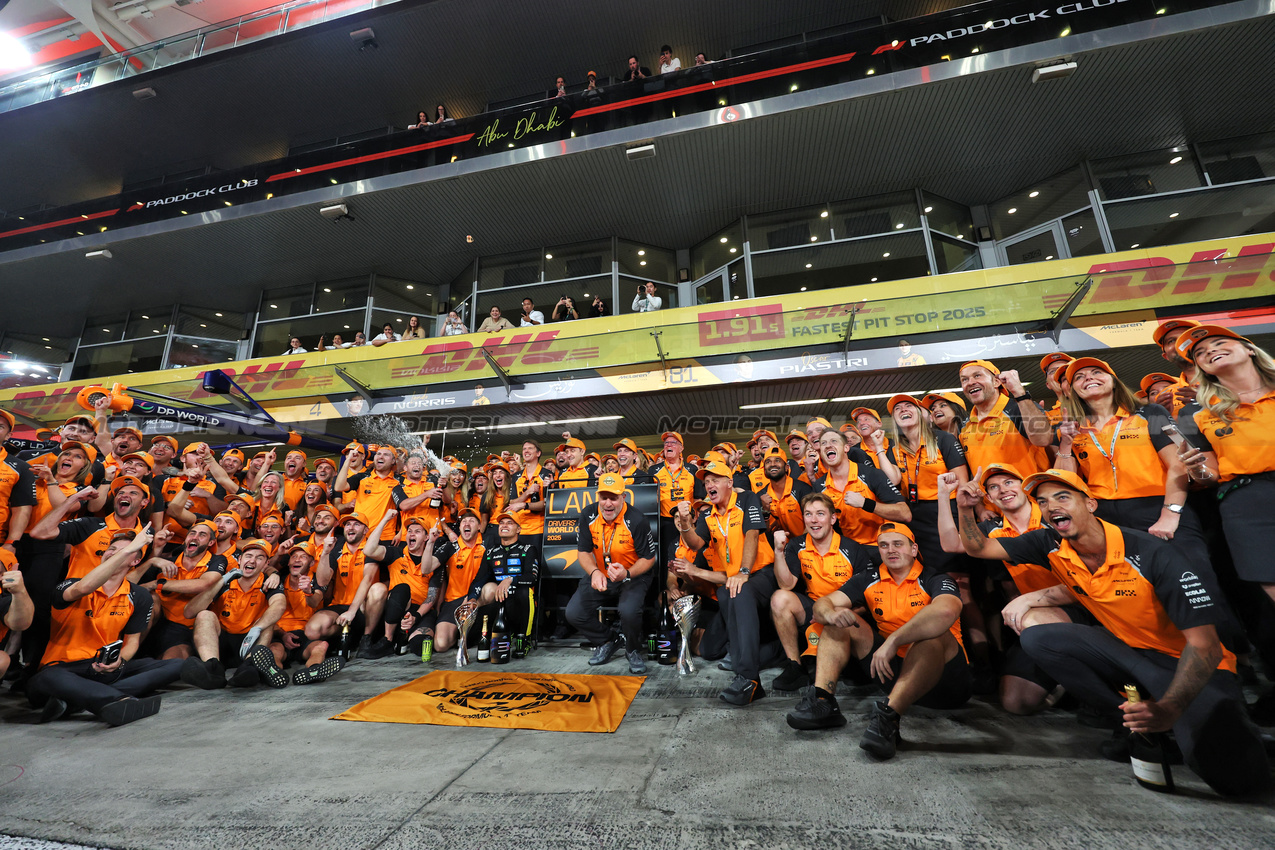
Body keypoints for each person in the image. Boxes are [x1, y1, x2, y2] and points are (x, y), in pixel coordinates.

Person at [954, 467, 1269, 796]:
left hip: (1187, 664)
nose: (1051, 507)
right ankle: (1130, 724)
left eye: (1063, 497)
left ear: (1090, 504)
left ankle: (1171, 717)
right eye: (1044, 501)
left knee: (1241, 782)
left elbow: (1206, 648)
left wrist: (1169, 709)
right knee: (1039, 638)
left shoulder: (1153, 554)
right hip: (1128, 654)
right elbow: (979, 548)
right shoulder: (1048, 542)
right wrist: (964, 508)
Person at [786, 523, 968, 761]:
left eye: (897, 544)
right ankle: (823, 702)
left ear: (914, 549)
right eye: (884, 545)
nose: (890, 550)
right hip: (891, 673)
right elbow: (822, 604)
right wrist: (831, 614)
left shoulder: (936, 578)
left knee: (933, 635)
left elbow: (944, 613)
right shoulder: (870, 578)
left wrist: (894, 640)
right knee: (839, 619)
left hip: (945, 683)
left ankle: (889, 718)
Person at [28, 526, 184, 727]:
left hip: (101, 669)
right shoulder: (71, 584)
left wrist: (118, 663)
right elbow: (84, 588)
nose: (112, 553)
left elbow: (132, 641)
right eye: (111, 549)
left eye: (122, 551)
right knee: (46, 679)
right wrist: (129, 549)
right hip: (61, 668)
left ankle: (76, 699)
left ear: (135, 561)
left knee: (176, 664)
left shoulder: (138, 596)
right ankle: (115, 700)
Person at [1175, 325, 1275, 606]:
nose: (1211, 351)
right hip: (1247, 505)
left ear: (1249, 348)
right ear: (1203, 369)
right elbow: (1210, 475)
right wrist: (1196, 471)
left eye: (1219, 342)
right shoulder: (1193, 413)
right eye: (1201, 353)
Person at [674, 460, 776, 705]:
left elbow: (752, 534)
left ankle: (750, 680)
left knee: (738, 593)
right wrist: (686, 522)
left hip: (760, 573)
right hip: (731, 579)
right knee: (728, 595)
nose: (710, 485)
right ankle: (749, 665)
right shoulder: (708, 512)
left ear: (730, 483)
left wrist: (743, 571)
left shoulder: (747, 499)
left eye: (715, 480)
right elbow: (696, 544)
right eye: (706, 482)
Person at [770, 493, 874, 692]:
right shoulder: (797, 545)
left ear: (833, 519)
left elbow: (868, 601)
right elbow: (786, 585)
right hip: (813, 609)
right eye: (808, 514)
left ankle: (845, 664)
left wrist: (833, 617)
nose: (814, 520)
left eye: (820, 514)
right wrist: (778, 551)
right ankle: (795, 666)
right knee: (779, 598)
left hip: (846, 614)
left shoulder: (854, 550)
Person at [566, 474, 657, 673]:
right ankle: (608, 640)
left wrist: (627, 573)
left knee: (629, 611)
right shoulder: (588, 515)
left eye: (613, 498)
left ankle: (632, 649)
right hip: (602, 572)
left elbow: (650, 558)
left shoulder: (637, 519)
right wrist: (594, 571)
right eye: (603, 497)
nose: (608, 503)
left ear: (623, 497)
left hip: (633, 574)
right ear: (597, 496)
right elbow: (583, 552)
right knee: (573, 613)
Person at [179, 539, 288, 689]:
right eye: (249, 556)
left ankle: (249, 668)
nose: (253, 561)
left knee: (268, 623)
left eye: (259, 558)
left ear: (266, 564)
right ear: (240, 559)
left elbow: (279, 605)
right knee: (204, 615)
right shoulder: (226, 580)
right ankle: (213, 668)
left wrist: (257, 628)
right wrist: (220, 582)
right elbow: (189, 612)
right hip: (221, 643)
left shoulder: (269, 582)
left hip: (250, 643)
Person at [811, 428, 910, 551]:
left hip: (879, 547)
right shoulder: (820, 485)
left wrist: (865, 503)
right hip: (847, 551)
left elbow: (905, 514)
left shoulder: (871, 474)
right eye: (823, 443)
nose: (828, 445)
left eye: (834, 441)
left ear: (846, 448)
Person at [307, 513, 388, 658]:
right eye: (348, 524)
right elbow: (322, 581)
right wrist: (325, 553)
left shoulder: (371, 547)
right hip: (341, 605)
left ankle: (366, 639)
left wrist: (352, 610)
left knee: (378, 589)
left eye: (356, 524)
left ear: (365, 530)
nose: (351, 527)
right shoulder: (337, 548)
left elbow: (368, 579)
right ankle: (345, 634)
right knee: (312, 630)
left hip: (365, 607)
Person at [362, 512, 442, 654]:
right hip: (396, 606)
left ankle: (403, 635)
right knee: (402, 589)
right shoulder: (396, 553)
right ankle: (388, 639)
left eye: (417, 531)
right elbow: (369, 550)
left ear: (426, 537)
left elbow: (432, 597)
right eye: (409, 531)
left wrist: (416, 616)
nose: (412, 534)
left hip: (420, 611)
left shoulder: (433, 561)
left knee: (421, 647)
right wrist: (385, 519)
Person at [958, 359, 1052, 478]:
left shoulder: (1021, 407)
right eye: (964, 379)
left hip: (1027, 495)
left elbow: (1043, 439)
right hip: (988, 496)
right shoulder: (964, 425)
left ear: (996, 382)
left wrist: (1019, 392)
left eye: (977, 375)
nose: (970, 382)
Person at [468, 511, 542, 657]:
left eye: (509, 523)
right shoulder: (491, 552)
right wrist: (472, 598)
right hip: (500, 604)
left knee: (524, 591)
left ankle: (523, 639)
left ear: (519, 529)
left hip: (522, 605)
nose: (504, 526)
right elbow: (479, 579)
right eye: (501, 523)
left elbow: (532, 577)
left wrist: (510, 580)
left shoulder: (528, 549)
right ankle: (495, 635)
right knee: (470, 639)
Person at [419, 509, 486, 654]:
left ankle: (469, 629)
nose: (466, 523)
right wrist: (430, 543)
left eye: (471, 521)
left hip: (479, 599)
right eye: (463, 521)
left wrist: (472, 599)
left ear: (480, 526)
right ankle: (460, 633)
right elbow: (426, 569)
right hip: (454, 601)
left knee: (491, 590)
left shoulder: (487, 544)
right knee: (440, 645)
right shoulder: (451, 546)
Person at [649, 431, 704, 567]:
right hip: (664, 522)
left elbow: (698, 496)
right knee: (665, 557)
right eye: (666, 443)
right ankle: (667, 585)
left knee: (690, 553)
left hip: (687, 521)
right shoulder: (654, 470)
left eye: (673, 443)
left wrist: (696, 519)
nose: (668, 445)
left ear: (681, 448)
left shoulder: (692, 470)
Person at [1039, 352, 1075, 426]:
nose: (1058, 374)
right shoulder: (1046, 417)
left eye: (1066, 368)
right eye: (1052, 371)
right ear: (1048, 385)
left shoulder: (1097, 406)